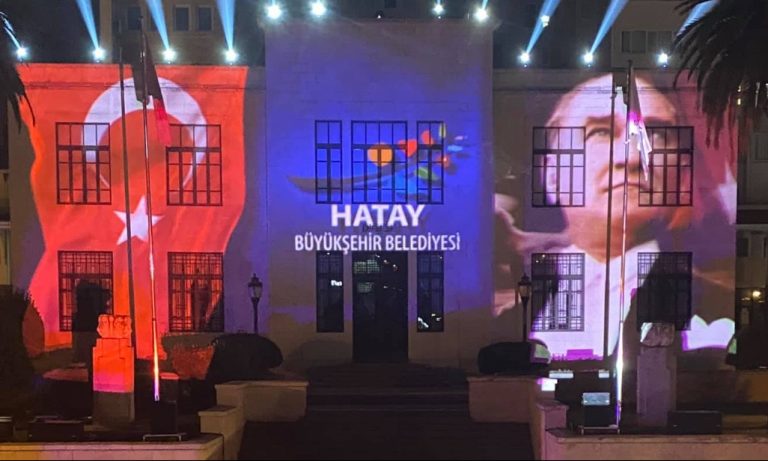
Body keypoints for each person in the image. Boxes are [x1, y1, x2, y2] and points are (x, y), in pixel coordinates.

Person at [494, 73, 737, 364]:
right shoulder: (511, 311)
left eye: (656, 135)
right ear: (552, 175)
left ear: (684, 176)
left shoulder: (712, 304)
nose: (632, 158)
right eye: (601, 133)